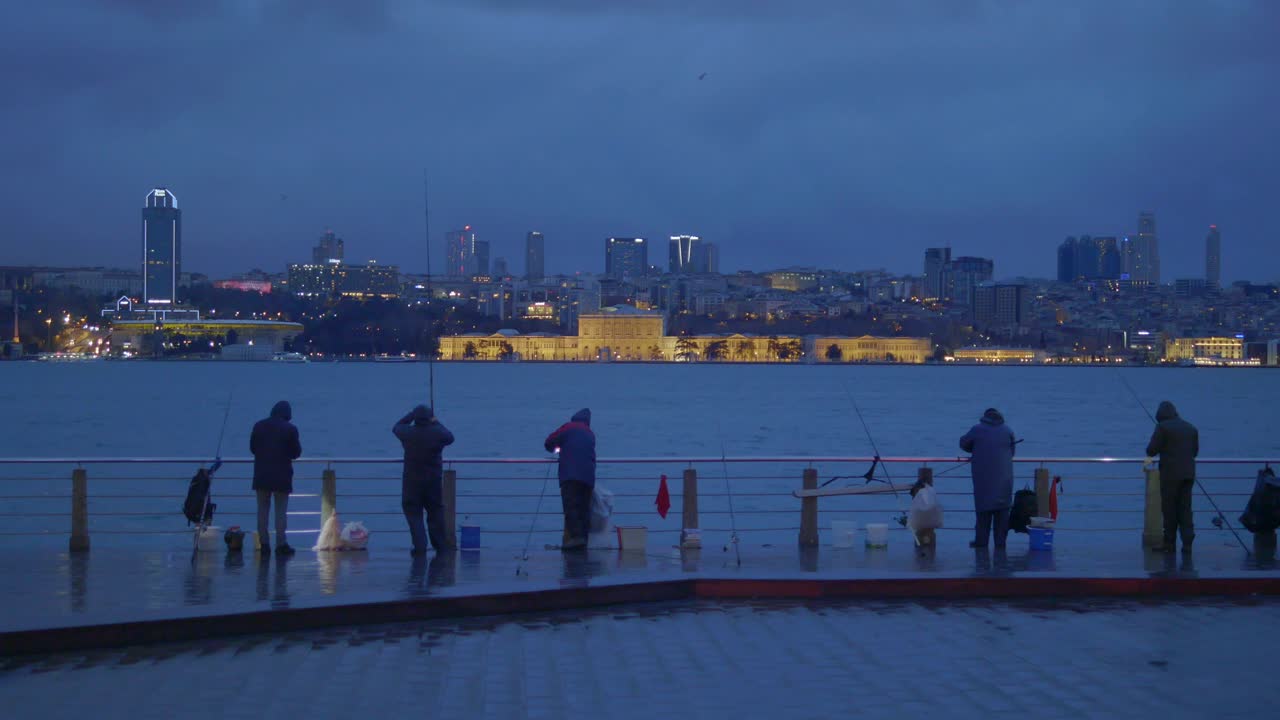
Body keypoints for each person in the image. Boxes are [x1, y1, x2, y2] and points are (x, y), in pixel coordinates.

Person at [393, 405, 456, 556]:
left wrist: (411, 415)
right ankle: (440, 547)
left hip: (411, 483)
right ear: (430, 418)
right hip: (433, 482)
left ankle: (419, 547)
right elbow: (450, 437)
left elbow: (396, 426)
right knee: (435, 513)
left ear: (416, 418)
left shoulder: (408, 433)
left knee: (414, 515)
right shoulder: (437, 433)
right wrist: (436, 422)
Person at [1145, 400, 1199, 554]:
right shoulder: (1191, 428)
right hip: (1188, 474)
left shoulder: (1162, 427)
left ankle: (1169, 543)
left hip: (1170, 475)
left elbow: (1151, 450)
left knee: (1169, 509)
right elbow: (1195, 452)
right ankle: (1187, 543)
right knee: (1185, 508)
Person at [960, 408, 1017, 549]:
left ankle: (981, 543)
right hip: (1004, 480)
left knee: (983, 512)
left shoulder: (977, 429)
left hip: (983, 479)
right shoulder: (1008, 430)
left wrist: (977, 448)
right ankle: (1000, 544)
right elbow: (1012, 452)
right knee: (1002, 511)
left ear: (984, 417)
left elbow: (963, 443)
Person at [250, 400, 302, 555]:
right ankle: (281, 544)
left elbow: (253, 448)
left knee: (262, 511)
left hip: (261, 476)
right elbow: (296, 453)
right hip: (281, 477)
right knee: (280, 512)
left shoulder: (258, 425)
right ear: (287, 414)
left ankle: (264, 544)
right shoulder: (290, 429)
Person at [544, 408, 596, 551]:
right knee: (584, 508)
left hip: (570, 475)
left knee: (571, 506)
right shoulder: (590, 433)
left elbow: (549, 443)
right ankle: (583, 541)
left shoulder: (568, 427)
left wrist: (557, 448)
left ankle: (575, 540)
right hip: (588, 477)